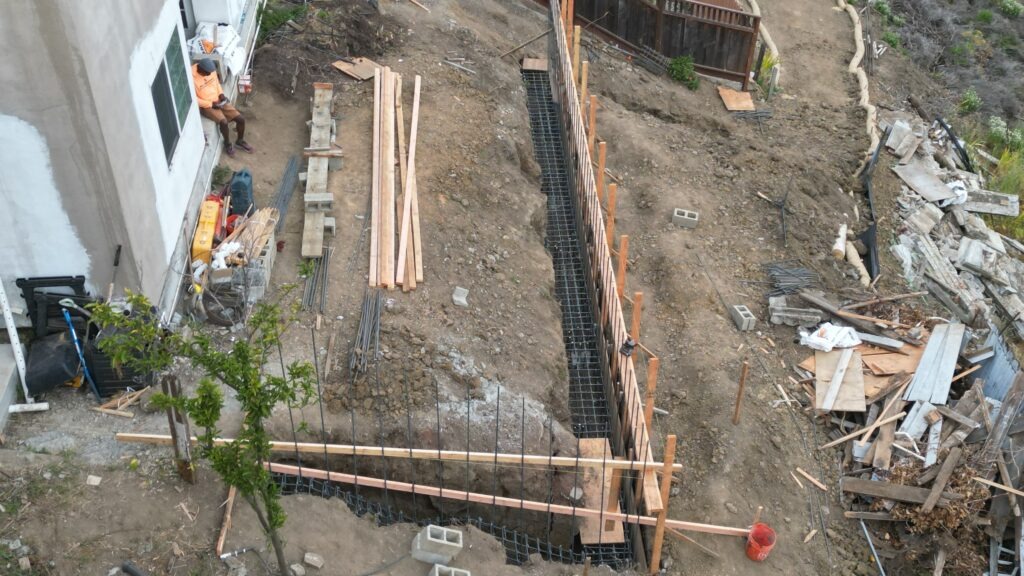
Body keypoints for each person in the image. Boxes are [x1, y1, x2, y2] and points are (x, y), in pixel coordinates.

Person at [192, 58, 253, 157]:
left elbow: (216, 84)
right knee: (223, 122)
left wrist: (221, 95)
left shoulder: (210, 71)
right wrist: (211, 104)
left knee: (241, 119)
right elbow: (195, 99)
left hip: (219, 101)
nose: (208, 75)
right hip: (206, 106)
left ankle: (240, 141)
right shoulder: (191, 77)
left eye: (210, 73)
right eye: (206, 73)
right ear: (200, 69)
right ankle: (227, 144)